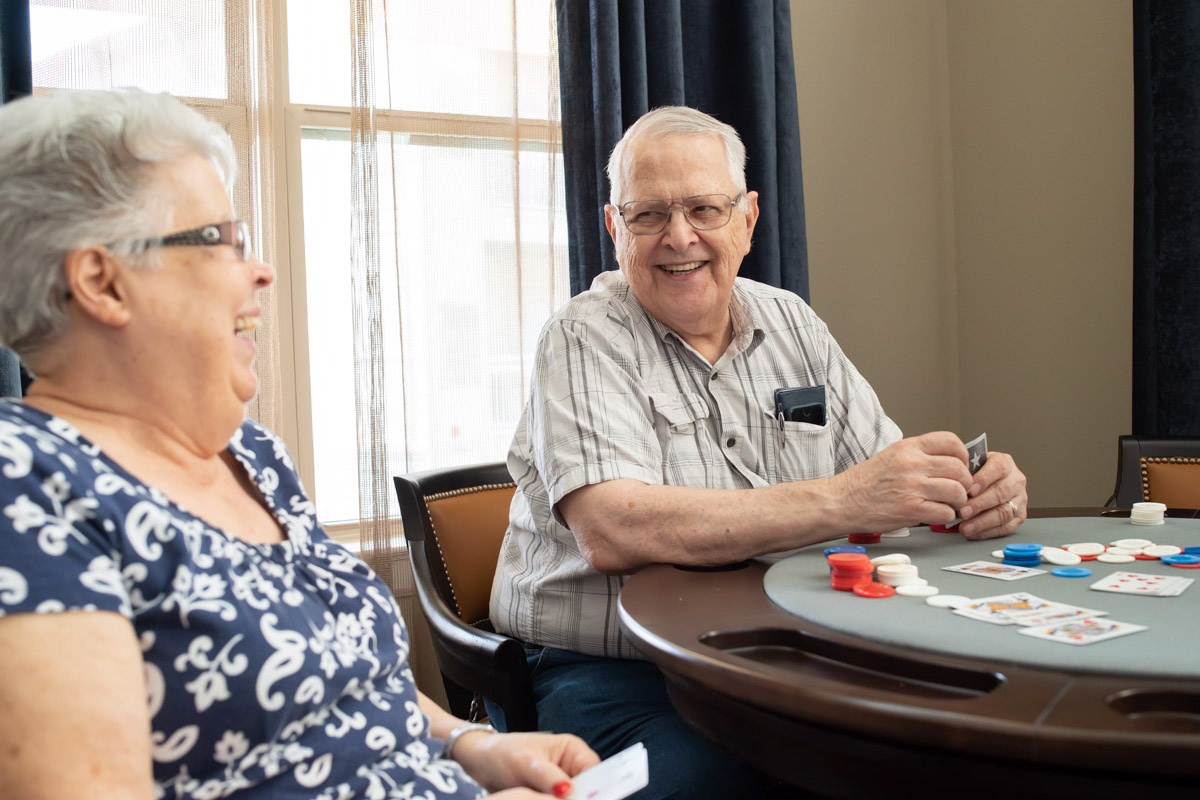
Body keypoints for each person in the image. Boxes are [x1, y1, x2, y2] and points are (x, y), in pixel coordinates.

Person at [0, 89, 598, 800]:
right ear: (102, 281)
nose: (262, 271)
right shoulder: (26, 488)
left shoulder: (253, 459)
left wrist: (474, 746)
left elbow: (348, 680)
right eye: (223, 240)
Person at [488, 106, 1029, 797]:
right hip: (607, 669)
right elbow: (614, 529)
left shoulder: (794, 323)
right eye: (648, 214)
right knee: (727, 784)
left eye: (704, 209)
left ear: (747, 218)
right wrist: (846, 496)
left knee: (931, 762)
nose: (678, 237)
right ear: (613, 227)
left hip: (778, 653)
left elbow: (890, 485)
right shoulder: (581, 336)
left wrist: (969, 491)